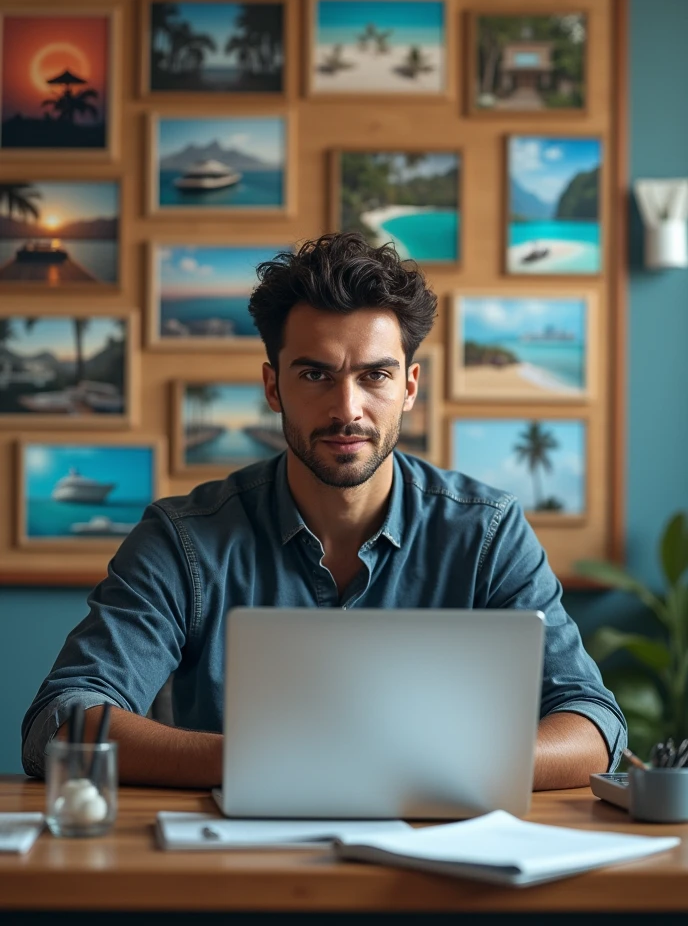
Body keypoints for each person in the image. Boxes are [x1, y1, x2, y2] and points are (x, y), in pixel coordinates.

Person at [22, 233, 626, 788]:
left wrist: (419, 768)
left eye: (374, 376)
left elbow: (592, 725)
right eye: (316, 374)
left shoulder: (488, 532)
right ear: (273, 386)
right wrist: (270, 760)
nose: (347, 409)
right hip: (237, 874)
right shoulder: (184, 539)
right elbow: (61, 721)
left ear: (410, 386)